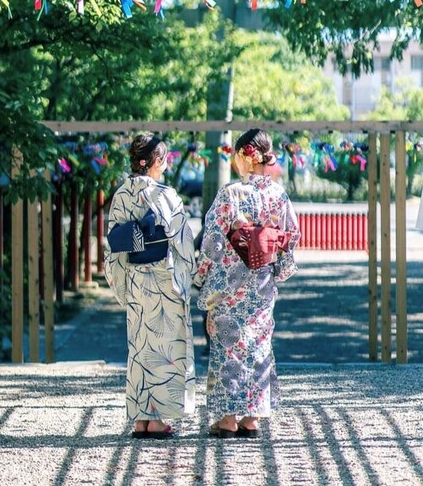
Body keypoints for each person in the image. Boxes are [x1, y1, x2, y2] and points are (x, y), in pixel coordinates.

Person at [195, 128, 300, 439]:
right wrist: (277, 269)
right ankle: (252, 417)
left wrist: (201, 274)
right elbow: (290, 236)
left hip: (228, 285)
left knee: (228, 347)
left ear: (244, 156)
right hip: (261, 285)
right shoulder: (278, 195)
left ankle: (227, 417)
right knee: (257, 344)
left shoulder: (230, 195)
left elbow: (212, 241)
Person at [104, 132, 196, 440]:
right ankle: (158, 420)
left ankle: (141, 418)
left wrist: (121, 286)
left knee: (140, 348)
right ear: (155, 162)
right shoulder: (165, 196)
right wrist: (187, 280)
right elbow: (182, 243)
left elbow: (113, 246)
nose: (167, 165)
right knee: (166, 348)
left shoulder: (120, 195)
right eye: (165, 160)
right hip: (162, 280)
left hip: (135, 279)